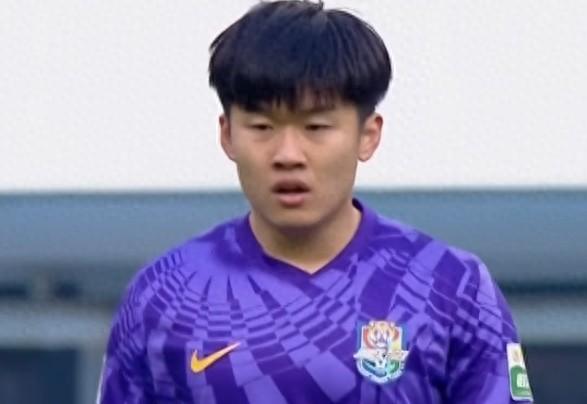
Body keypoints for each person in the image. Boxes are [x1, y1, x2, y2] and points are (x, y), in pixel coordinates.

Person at [97, 1, 534, 403]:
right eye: (262, 127)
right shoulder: (164, 294)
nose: (288, 154)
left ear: (368, 135)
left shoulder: (452, 288)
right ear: (227, 134)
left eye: (316, 127)